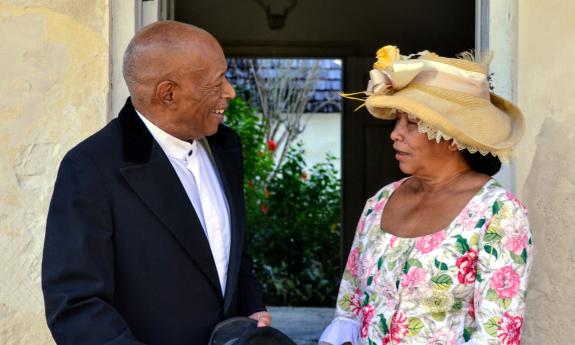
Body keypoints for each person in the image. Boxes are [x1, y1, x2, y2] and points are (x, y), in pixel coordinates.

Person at [42, 21, 270, 345]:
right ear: (168, 93)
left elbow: (234, 254)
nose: (230, 92)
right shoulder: (90, 167)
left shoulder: (226, 146)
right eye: (217, 82)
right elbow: (75, 305)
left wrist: (251, 308)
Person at [319, 46, 533, 344]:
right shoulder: (380, 202)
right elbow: (350, 308)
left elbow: (496, 335)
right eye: (397, 120)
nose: (395, 133)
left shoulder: (498, 213)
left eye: (412, 123)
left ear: (453, 136)